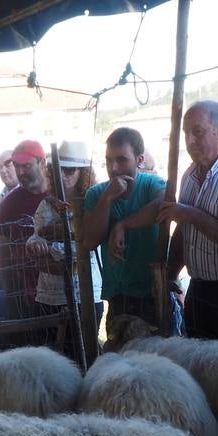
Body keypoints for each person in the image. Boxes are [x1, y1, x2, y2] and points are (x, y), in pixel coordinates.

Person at [125, 101, 218, 339]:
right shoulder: (190, 176)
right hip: (201, 288)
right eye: (186, 133)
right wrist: (171, 273)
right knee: (200, 366)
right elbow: (184, 231)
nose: (190, 141)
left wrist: (190, 214)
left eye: (198, 132)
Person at [78, 127, 168, 329]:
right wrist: (107, 198)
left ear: (140, 159)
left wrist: (122, 225)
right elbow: (90, 241)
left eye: (122, 159)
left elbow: (162, 207)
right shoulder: (97, 194)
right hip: (119, 297)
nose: (114, 168)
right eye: (109, 161)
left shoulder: (153, 184)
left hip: (155, 290)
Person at [27, 140, 102, 362]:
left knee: (84, 357)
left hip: (86, 294)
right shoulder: (45, 206)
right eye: (58, 170)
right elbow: (37, 239)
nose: (64, 175)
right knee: (53, 358)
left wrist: (51, 237)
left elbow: (87, 245)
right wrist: (44, 242)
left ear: (83, 172)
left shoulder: (93, 202)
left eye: (70, 170)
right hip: (50, 295)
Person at [0, 140, 53, 325]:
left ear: (42, 163)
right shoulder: (9, 204)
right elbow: (1, 251)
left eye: (26, 166)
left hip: (60, 290)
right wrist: (10, 289)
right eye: (17, 166)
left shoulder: (60, 195)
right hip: (24, 296)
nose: (20, 172)